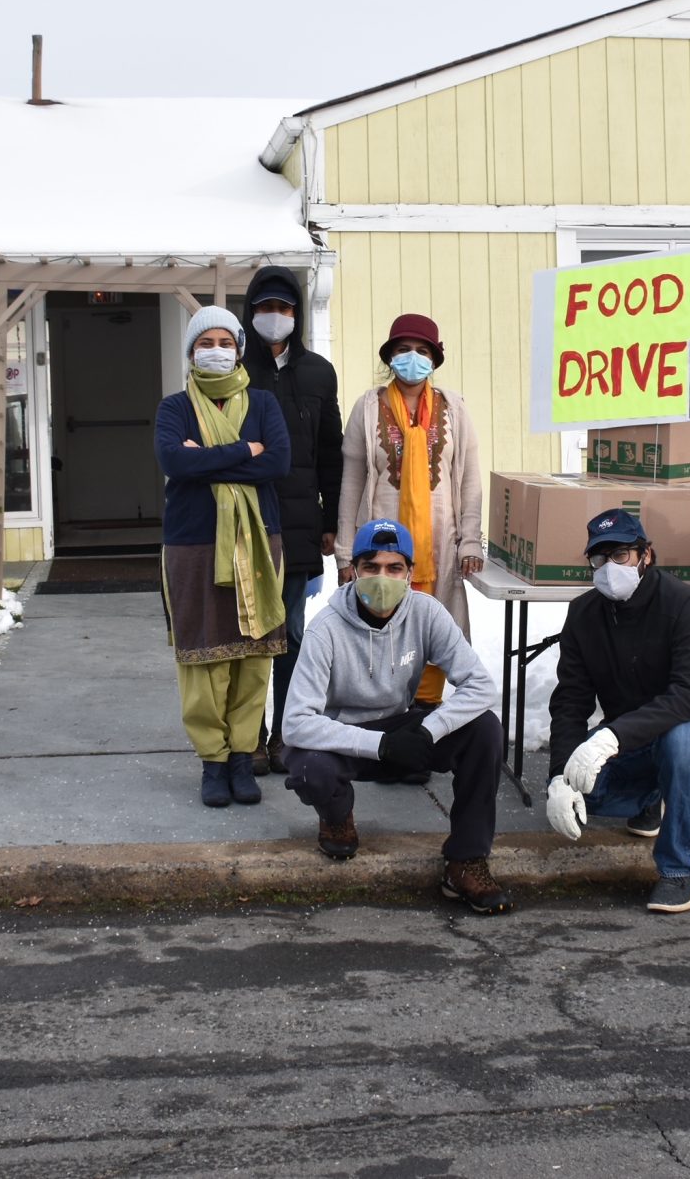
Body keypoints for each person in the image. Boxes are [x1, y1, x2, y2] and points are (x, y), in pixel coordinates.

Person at [281, 519, 513, 914]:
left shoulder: (427, 613)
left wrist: (427, 731)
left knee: (485, 729)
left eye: (394, 568)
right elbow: (296, 721)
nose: (382, 578)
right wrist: (381, 745)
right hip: (347, 737)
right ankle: (337, 816)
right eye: (371, 568)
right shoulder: (326, 628)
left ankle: (465, 859)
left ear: (409, 573)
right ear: (353, 571)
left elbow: (480, 687)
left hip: (405, 732)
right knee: (308, 767)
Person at [545, 509, 690, 915]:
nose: (610, 567)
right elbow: (570, 701)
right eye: (600, 558)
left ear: (647, 554)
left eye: (622, 555)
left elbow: (687, 695)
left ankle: (678, 871)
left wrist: (610, 737)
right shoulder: (583, 615)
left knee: (679, 743)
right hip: (631, 734)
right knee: (582, 791)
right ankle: (653, 795)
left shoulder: (681, 602)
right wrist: (559, 776)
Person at [153, 306, 290, 809]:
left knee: (254, 654)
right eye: (205, 342)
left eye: (225, 341)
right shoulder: (174, 408)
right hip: (194, 542)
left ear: (238, 346)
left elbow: (278, 460)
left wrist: (205, 459)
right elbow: (173, 460)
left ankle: (242, 757)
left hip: (257, 540)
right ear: (191, 353)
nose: (216, 350)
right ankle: (213, 761)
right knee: (202, 655)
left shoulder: (262, 402)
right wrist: (243, 451)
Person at [337, 313, 485, 713]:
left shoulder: (454, 408)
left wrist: (470, 539)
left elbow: (470, 479)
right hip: (382, 543)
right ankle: (383, 713)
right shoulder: (368, 407)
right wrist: (346, 552)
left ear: (434, 359)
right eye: (403, 350)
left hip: (439, 543)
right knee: (381, 623)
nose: (412, 358)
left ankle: (425, 711)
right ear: (389, 357)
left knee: (435, 624)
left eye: (422, 351)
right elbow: (351, 481)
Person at [241, 265, 343, 777]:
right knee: (248, 638)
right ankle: (249, 737)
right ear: (250, 312)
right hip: (245, 524)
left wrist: (331, 520)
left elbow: (331, 453)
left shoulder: (319, 373)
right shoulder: (235, 369)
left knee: (290, 638)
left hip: (300, 525)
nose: (274, 317)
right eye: (264, 308)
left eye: (283, 309)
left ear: (296, 315)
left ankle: (285, 734)